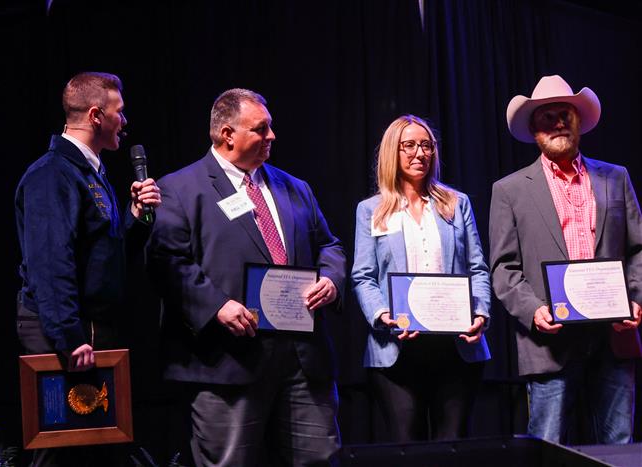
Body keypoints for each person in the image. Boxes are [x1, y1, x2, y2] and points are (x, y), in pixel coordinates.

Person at [147, 88, 346, 466]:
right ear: (227, 134)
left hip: (302, 359)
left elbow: (329, 245)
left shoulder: (295, 187)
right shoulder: (180, 188)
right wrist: (217, 305)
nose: (272, 136)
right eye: (261, 129)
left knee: (319, 459)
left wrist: (332, 280)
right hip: (227, 360)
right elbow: (167, 261)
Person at [15, 71, 161, 466]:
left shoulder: (90, 172)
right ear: (96, 116)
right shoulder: (52, 173)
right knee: (62, 451)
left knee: (93, 450)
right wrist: (68, 334)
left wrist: (137, 216)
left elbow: (106, 255)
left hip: (92, 326)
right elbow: (50, 260)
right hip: (66, 331)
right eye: (119, 112)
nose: (124, 121)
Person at [490, 75, 642, 444]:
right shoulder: (509, 190)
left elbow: (638, 248)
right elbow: (503, 268)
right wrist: (533, 310)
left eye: (565, 115)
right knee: (548, 446)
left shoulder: (616, 178)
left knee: (618, 447)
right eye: (548, 117)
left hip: (613, 336)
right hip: (550, 342)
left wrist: (636, 298)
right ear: (534, 130)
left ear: (578, 122)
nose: (558, 123)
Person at [351, 115, 491, 442]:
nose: (420, 153)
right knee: (407, 449)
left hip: (455, 346)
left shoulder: (456, 204)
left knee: (452, 447)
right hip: (397, 347)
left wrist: (481, 313)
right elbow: (363, 276)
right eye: (410, 145)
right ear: (393, 151)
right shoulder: (372, 210)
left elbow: (477, 268)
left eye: (427, 145)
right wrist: (382, 315)